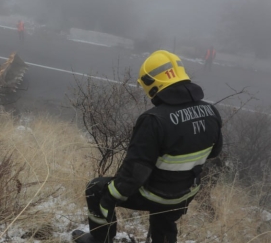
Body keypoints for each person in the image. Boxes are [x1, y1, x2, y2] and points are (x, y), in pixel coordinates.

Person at [73, 50, 223, 243]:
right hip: (187, 192)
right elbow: (215, 152)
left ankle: (100, 239)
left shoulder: (154, 120)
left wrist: (110, 195)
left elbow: (135, 173)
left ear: (153, 84)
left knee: (96, 188)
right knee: (165, 217)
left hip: (158, 195)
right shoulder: (211, 111)